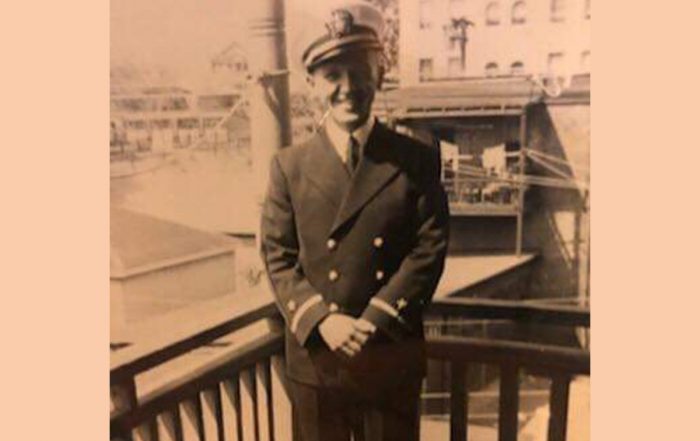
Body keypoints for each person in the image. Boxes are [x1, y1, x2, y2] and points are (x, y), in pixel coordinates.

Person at [260, 1, 450, 440]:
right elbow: (277, 256)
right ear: (312, 85)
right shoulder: (289, 167)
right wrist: (323, 321)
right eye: (332, 76)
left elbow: (430, 246)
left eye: (359, 72)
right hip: (318, 360)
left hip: (389, 348)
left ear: (379, 74)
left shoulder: (416, 158)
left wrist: (375, 317)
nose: (348, 88)